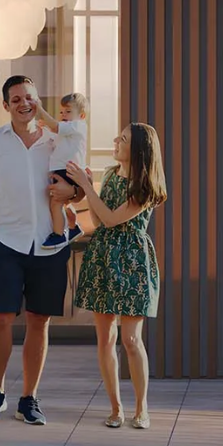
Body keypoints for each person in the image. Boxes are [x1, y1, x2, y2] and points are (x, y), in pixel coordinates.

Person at [0, 76, 71, 426]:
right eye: (16, 99)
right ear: (5, 105)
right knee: (0, 319)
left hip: (49, 243)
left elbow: (78, 187)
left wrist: (72, 195)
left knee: (40, 321)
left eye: (29, 97)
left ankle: (29, 398)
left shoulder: (58, 141)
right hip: (6, 243)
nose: (23, 103)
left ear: (38, 100)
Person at [67, 123, 165, 430]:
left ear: (136, 149)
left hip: (133, 261)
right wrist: (88, 192)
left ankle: (141, 407)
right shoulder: (110, 175)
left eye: (122, 139)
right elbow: (99, 219)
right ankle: (115, 408)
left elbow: (111, 218)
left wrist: (86, 185)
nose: (115, 141)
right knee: (105, 339)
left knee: (131, 339)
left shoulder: (145, 186)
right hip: (103, 259)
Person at [38, 94, 90, 249]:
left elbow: (55, 127)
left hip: (68, 170)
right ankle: (73, 227)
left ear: (81, 115)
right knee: (64, 204)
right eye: (61, 112)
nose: (63, 115)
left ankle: (59, 235)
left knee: (56, 203)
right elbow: (54, 136)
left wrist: (40, 109)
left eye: (68, 112)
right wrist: (46, 129)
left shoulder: (78, 126)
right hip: (65, 170)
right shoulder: (68, 132)